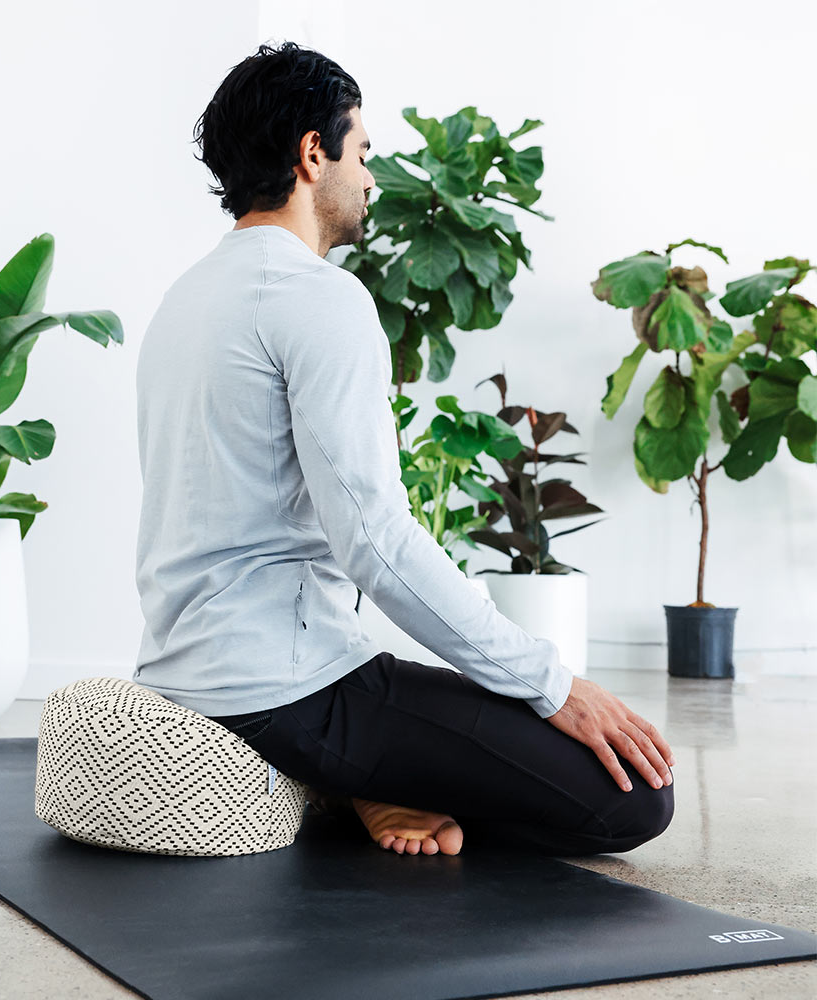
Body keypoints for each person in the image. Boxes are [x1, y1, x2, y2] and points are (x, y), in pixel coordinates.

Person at [133, 40, 675, 858]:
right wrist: (552, 685)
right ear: (313, 155)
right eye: (363, 151)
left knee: (459, 722)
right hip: (288, 691)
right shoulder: (318, 298)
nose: (372, 178)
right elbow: (375, 543)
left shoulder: (185, 298)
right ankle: (362, 777)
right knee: (634, 801)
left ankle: (373, 778)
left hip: (180, 673)